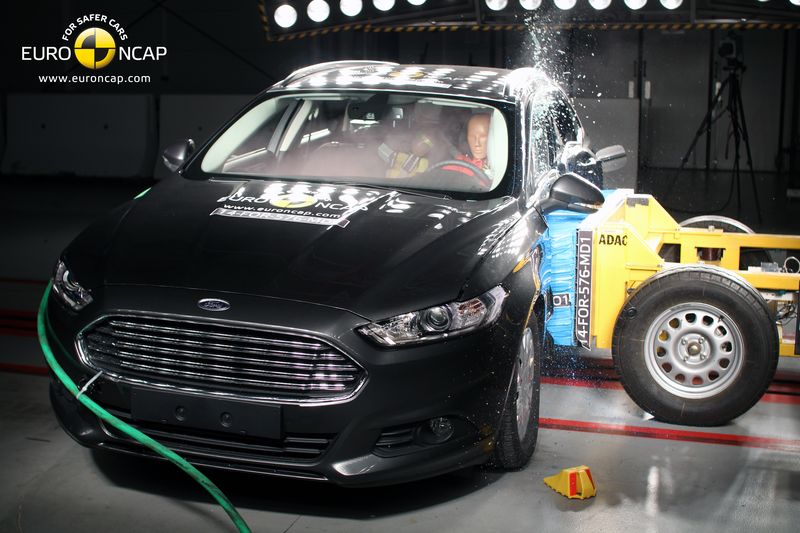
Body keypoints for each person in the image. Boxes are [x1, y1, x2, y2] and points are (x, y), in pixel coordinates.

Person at [443, 113, 493, 187]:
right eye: (472, 136)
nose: (477, 144)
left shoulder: (502, 166)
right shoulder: (459, 163)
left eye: (483, 137)